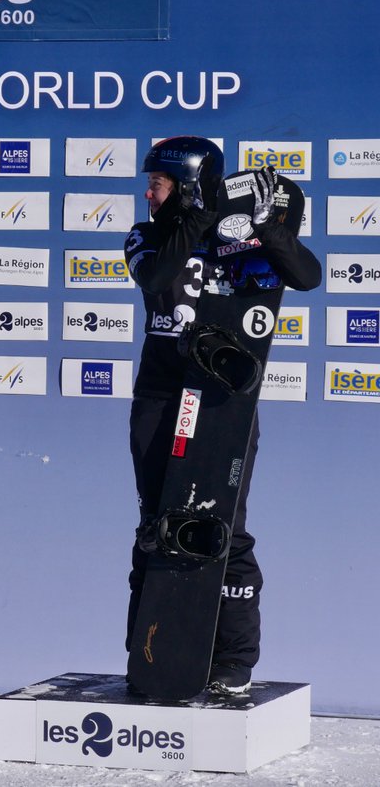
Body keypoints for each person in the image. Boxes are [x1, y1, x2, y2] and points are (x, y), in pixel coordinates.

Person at [123, 136, 321, 692]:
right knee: (156, 527)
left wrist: (268, 227)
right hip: (162, 399)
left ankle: (234, 661)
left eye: (157, 184)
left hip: (222, 402)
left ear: (184, 184)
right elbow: (156, 277)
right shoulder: (146, 236)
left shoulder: (240, 238)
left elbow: (306, 276)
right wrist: (195, 219)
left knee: (224, 527)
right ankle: (151, 650)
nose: (147, 194)